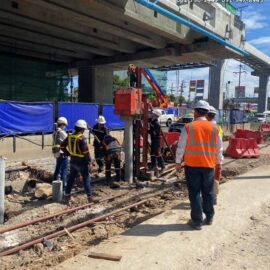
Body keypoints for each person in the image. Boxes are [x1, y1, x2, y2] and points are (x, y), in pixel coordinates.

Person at [175, 100, 223, 230]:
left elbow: (181, 146)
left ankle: (197, 221)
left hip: (192, 165)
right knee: (207, 192)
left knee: (194, 192)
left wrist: (178, 162)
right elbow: (219, 148)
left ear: (195, 111)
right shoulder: (215, 128)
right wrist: (219, 163)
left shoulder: (189, 127)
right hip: (209, 165)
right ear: (207, 112)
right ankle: (209, 217)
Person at [61, 119, 96, 203]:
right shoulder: (81, 138)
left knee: (71, 179)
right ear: (82, 129)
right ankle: (90, 198)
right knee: (86, 179)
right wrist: (89, 161)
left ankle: (66, 196)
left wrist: (68, 153)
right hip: (82, 162)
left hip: (73, 161)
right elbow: (86, 152)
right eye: (84, 129)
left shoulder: (69, 136)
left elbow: (62, 146)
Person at [206, 106, 224, 205]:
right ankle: (214, 197)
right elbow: (220, 146)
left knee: (206, 180)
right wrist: (219, 161)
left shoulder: (207, 128)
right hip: (215, 158)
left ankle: (209, 198)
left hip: (207, 159)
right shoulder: (218, 127)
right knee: (215, 179)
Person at [52, 117, 68, 190]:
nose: (64, 126)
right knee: (64, 171)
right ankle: (63, 188)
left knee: (57, 169)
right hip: (62, 153)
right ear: (62, 124)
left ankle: (55, 186)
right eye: (64, 125)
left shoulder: (55, 132)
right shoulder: (61, 132)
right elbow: (68, 140)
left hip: (57, 153)